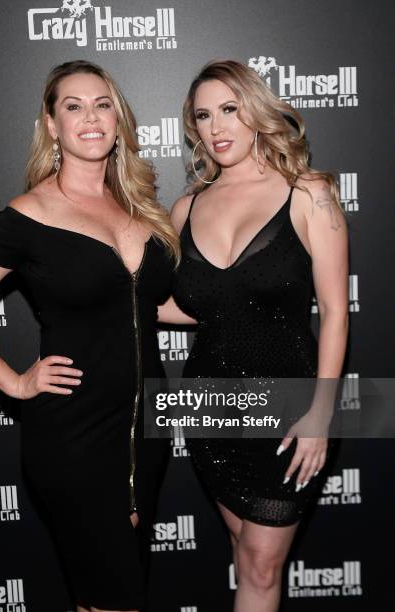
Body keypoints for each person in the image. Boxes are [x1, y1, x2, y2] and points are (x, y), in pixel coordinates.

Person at [0, 60, 179, 612]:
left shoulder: (139, 206)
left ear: (118, 119)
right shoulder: (29, 215)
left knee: (103, 595)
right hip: (75, 435)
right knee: (116, 599)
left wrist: (245, 299)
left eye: (102, 104)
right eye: (74, 107)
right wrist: (15, 383)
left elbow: (147, 304)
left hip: (145, 432)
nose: (90, 117)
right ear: (52, 125)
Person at [158, 59, 349, 612]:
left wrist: (321, 413)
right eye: (203, 116)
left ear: (256, 112)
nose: (216, 127)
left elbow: (336, 312)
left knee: (262, 564)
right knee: (245, 552)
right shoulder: (186, 207)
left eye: (229, 110)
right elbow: (191, 305)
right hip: (210, 406)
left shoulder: (308, 193)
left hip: (290, 406)